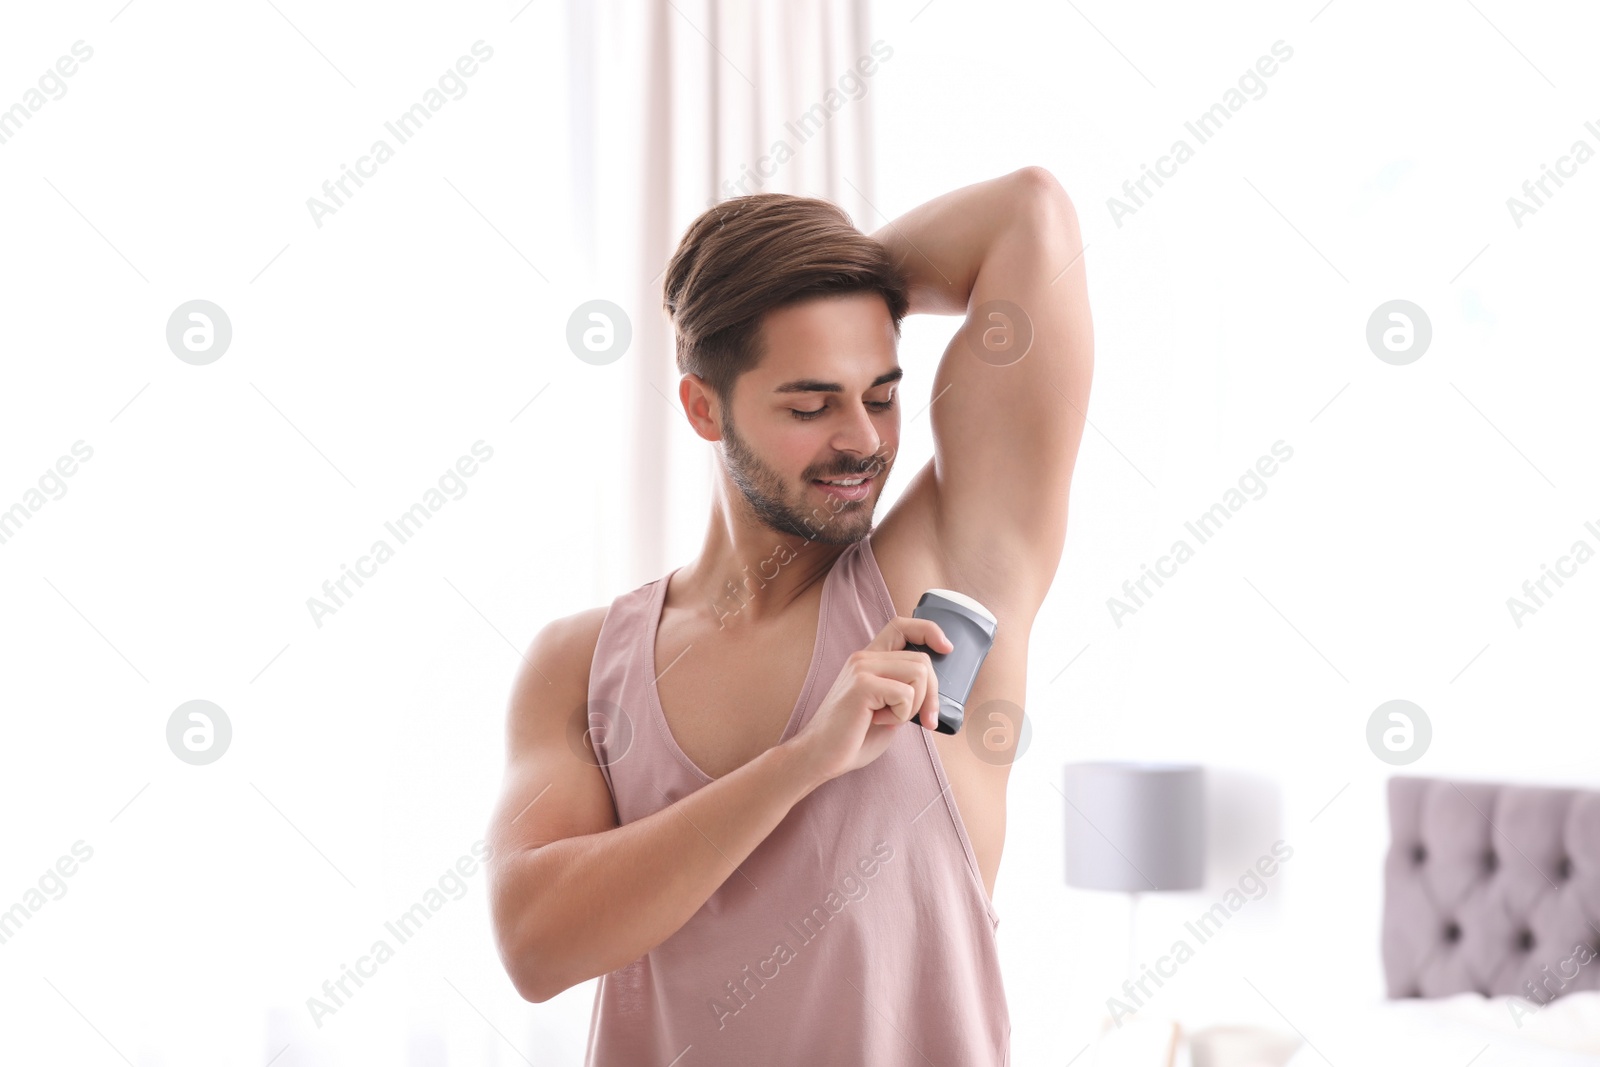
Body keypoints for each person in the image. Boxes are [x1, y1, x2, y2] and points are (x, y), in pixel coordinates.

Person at [487, 166, 1093, 1065]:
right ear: (704, 405)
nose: (863, 440)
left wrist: (828, 278)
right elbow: (536, 944)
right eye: (811, 403)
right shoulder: (584, 662)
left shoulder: (948, 571)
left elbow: (1029, 214)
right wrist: (803, 762)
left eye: (881, 395)